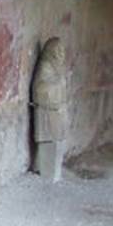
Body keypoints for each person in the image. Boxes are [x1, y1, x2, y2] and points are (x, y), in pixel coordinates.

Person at [33, 37, 67, 182]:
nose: (61, 53)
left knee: (57, 141)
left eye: (62, 50)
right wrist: (58, 82)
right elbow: (39, 88)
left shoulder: (57, 67)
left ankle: (53, 172)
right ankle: (48, 172)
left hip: (56, 109)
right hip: (46, 111)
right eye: (58, 50)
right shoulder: (45, 66)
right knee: (49, 142)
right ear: (51, 51)